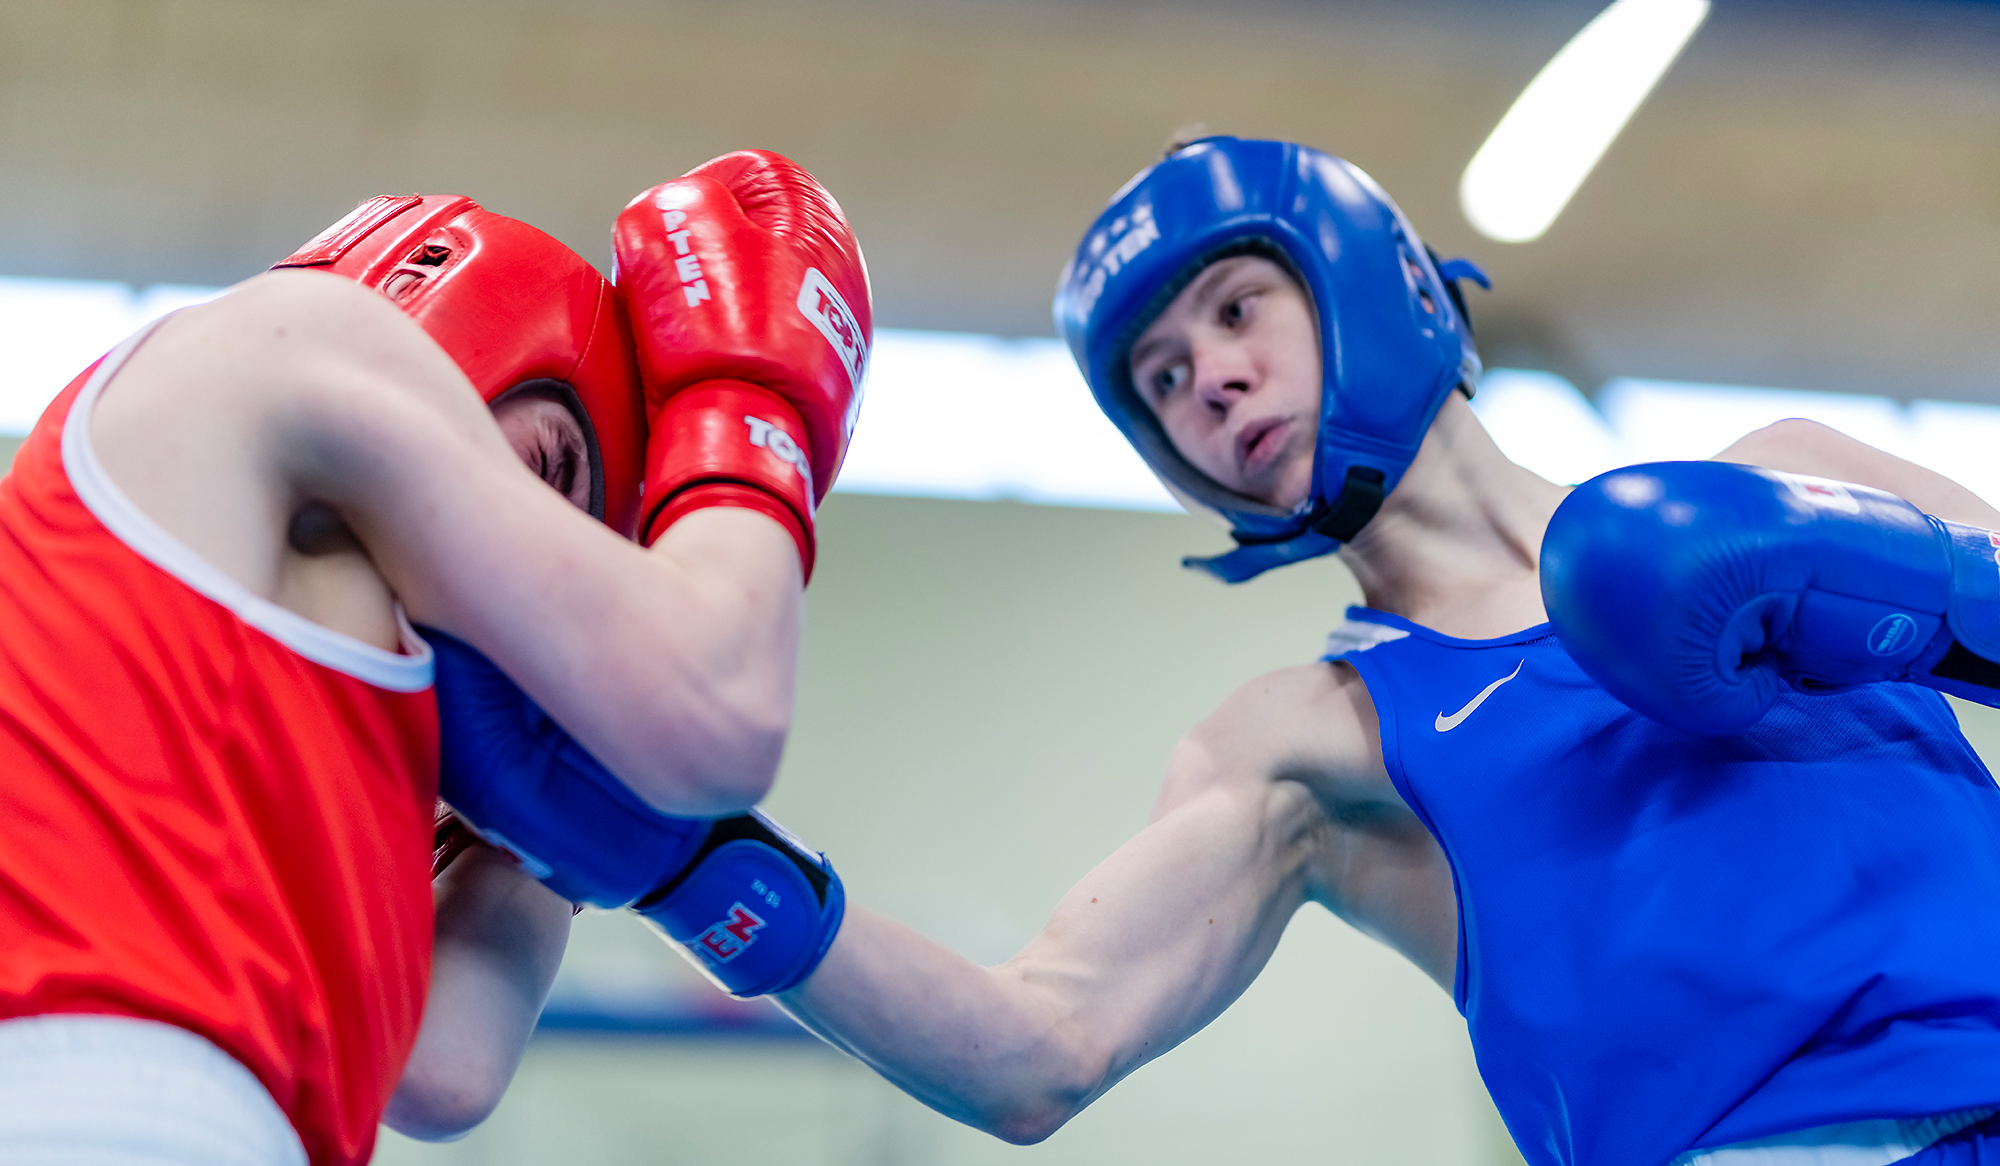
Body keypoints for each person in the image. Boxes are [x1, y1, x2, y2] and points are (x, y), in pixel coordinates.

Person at [609, 135, 2000, 1165]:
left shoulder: (1783, 477)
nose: (1211, 382)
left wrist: (1921, 586)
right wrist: (684, 858)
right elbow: (1036, 1047)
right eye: (1162, 379)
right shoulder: (1307, 744)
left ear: (1372, 280)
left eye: (1234, 310)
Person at [0, 148, 872, 1166]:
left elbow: (442, 1067)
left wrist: (549, 818)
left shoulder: (290, 665)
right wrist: (750, 406)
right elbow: (719, 714)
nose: (515, 552)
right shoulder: (291, 338)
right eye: (551, 464)